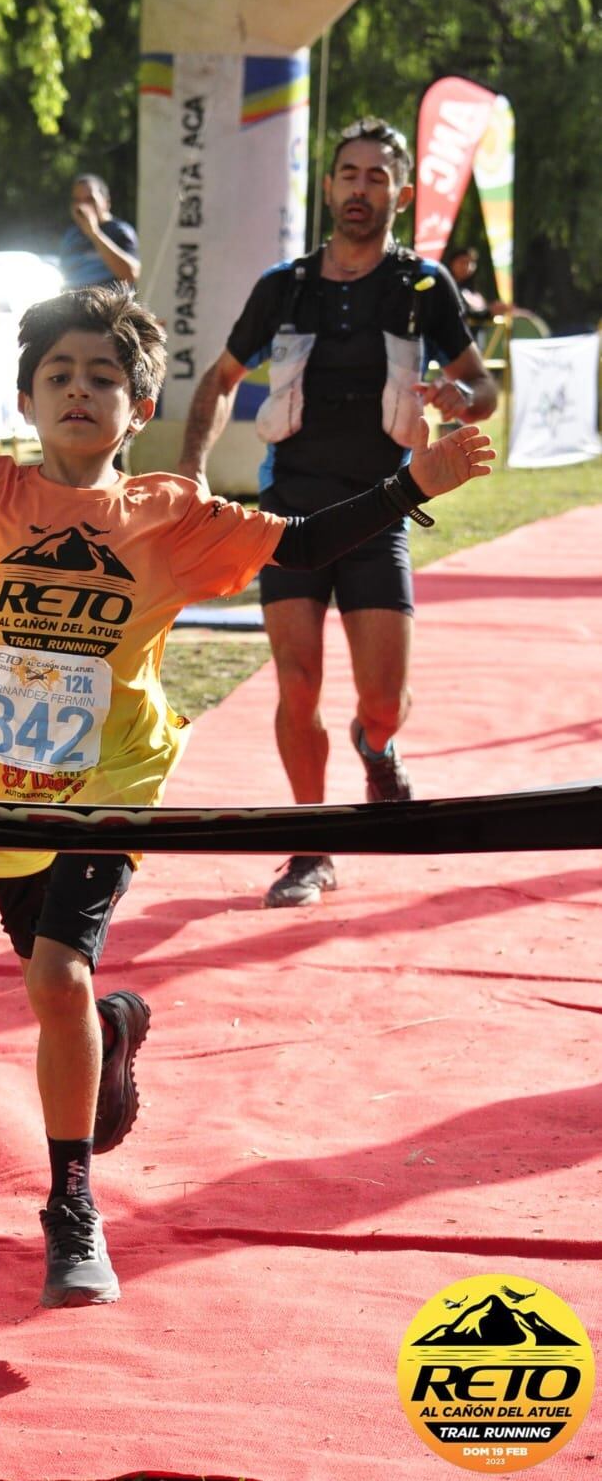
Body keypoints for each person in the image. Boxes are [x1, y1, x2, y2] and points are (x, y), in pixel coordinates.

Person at [0, 286, 493, 1308]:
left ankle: (69, 1207)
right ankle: (112, 1029)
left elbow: (295, 543)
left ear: (136, 403)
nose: (80, 391)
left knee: (52, 979)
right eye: (60, 376)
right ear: (28, 398)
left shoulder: (165, 513)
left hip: (116, 783)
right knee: (56, 984)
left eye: (104, 378)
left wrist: (408, 481)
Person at [176, 117, 498, 909]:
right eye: (348, 174)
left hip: (380, 513)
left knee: (383, 698)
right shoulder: (282, 287)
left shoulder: (422, 286)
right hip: (289, 516)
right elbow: (219, 380)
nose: (360, 189)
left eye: (376, 177)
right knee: (295, 683)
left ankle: (375, 745)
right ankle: (309, 847)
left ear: (401, 191)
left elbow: (479, 385)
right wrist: (187, 472)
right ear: (328, 187)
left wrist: (462, 400)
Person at [58, 174, 141, 291]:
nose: (82, 206)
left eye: (90, 200)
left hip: (109, 306)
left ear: (106, 202)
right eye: (77, 200)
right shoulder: (71, 235)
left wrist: (94, 233)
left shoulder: (120, 231)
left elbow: (132, 274)